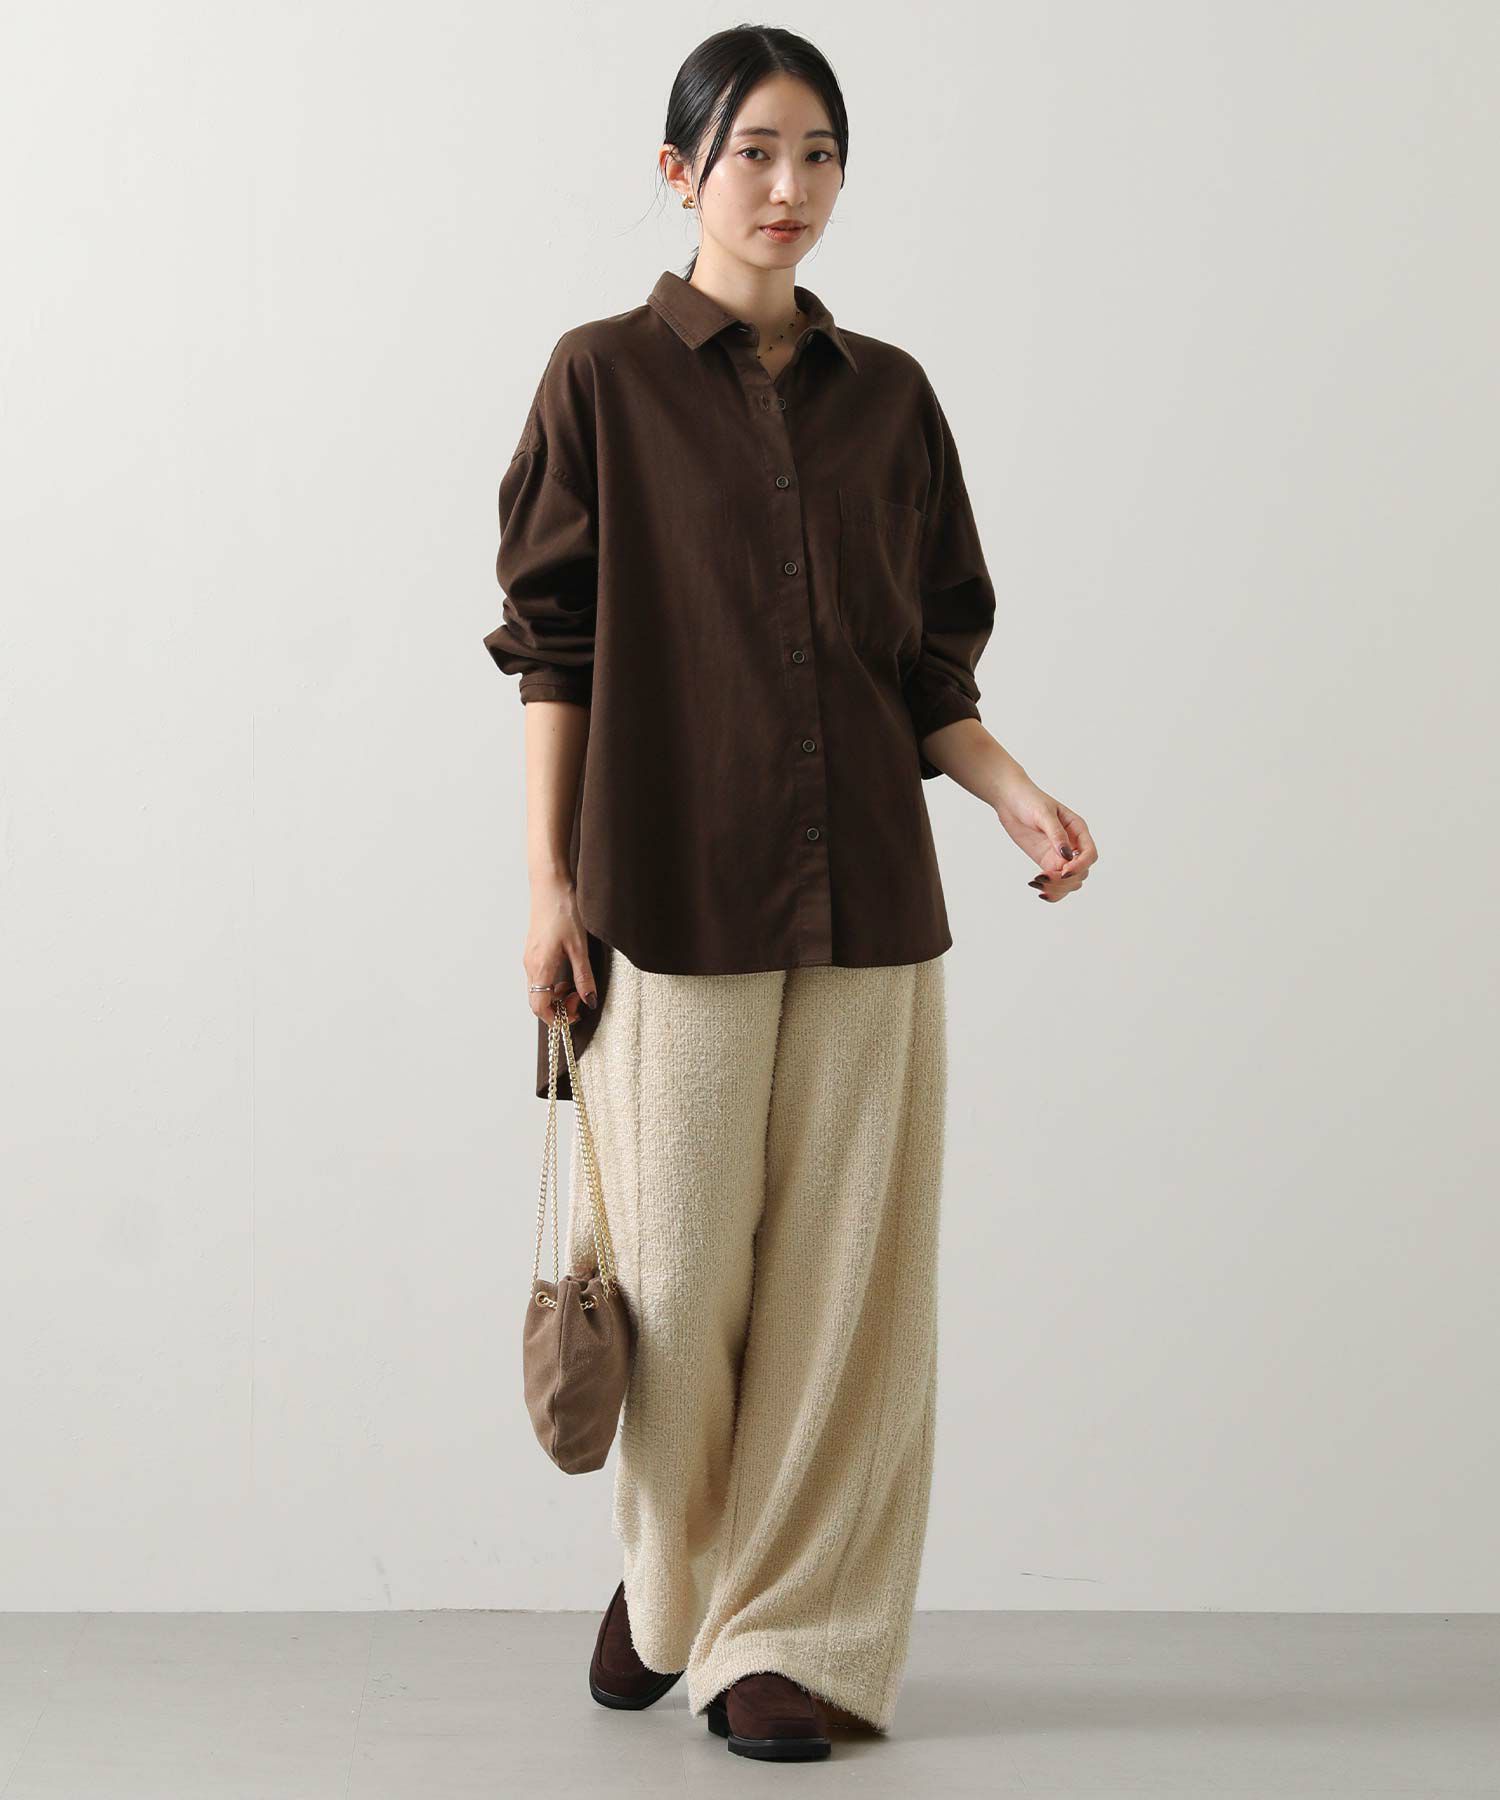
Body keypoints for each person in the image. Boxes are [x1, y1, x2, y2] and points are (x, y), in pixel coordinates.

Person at [483, 25, 1096, 1764]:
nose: (789, 186)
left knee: (845, 1292)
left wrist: (1014, 795)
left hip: (870, 906)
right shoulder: (600, 380)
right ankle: (670, 1581)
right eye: (753, 150)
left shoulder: (891, 399)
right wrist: (546, 883)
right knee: (679, 1279)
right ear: (679, 171)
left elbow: (924, 672)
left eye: (818, 152)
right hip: (666, 894)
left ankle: (788, 1634)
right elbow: (553, 646)